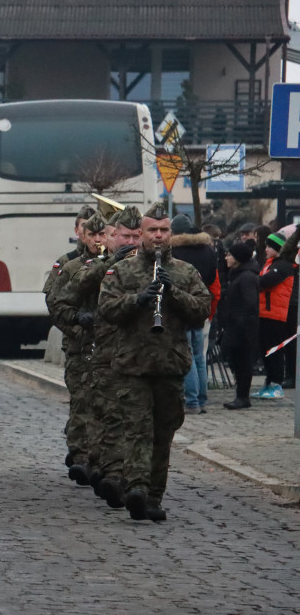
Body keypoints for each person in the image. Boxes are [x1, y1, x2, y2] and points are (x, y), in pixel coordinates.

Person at [97, 202, 210, 521]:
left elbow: (202, 310)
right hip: (132, 365)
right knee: (136, 429)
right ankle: (135, 487)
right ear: (142, 234)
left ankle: (154, 496)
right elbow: (107, 310)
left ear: (170, 234)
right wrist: (138, 300)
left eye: (164, 231)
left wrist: (174, 294)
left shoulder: (185, 272)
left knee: (163, 434)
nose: (158, 236)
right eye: (152, 231)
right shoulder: (121, 270)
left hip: (170, 365)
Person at [65, 207, 142, 506]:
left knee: (131, 418)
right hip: (100, 347)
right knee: (102, 410)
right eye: (123, 235)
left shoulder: (150, 265)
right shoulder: (91, 264)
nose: (130, 241)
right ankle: (103, 467)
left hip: (140, 352)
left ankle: (125, 474)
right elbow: (72, 289)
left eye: (136, 236)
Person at [46, 212, 107, 484]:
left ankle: (100, 457)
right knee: (82, 402)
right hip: (80, 346)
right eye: (91, 234)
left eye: (101, 234)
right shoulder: (69, 265)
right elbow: (56, 302)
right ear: (81, 234)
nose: (97, 239)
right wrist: (77, 327)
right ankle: (81, 456)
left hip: (109, 347)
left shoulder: (116, 264)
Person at [169, 214, 219, 415]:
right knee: (199, 357)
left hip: (182, 309)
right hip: (201, 307)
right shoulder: (208, 250)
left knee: (186, 356)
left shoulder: (175, 252)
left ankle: (191, 401)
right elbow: (213, 277)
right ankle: (201, 398)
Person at [254, 227, 300, 399]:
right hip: (266, 312)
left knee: (274, 351)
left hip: (276, 313)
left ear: (277, 248)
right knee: (266, 350)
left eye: (269, 246)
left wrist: (253, 280)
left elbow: (264, 282)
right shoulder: (271, 264)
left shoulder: (283, 266)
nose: (265, 249)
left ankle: (276, 384)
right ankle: (269, 382)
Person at [218, 240, 260, 410]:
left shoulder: (247, 277)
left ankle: (243, 396)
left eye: (229, 255)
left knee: (243, 362)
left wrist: (240, 323)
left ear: (238, 258)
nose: (226, 257)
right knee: (236, 361)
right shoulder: (237, 274)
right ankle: (240, 395)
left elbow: (250, 304)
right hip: (235, 325)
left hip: (242, 328)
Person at [42, 205, 96, 299]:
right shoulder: (65, 261)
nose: (88, 229)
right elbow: (51, 296)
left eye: (92, 225)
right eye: (84, 225)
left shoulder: (106, 259)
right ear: (76, 230)